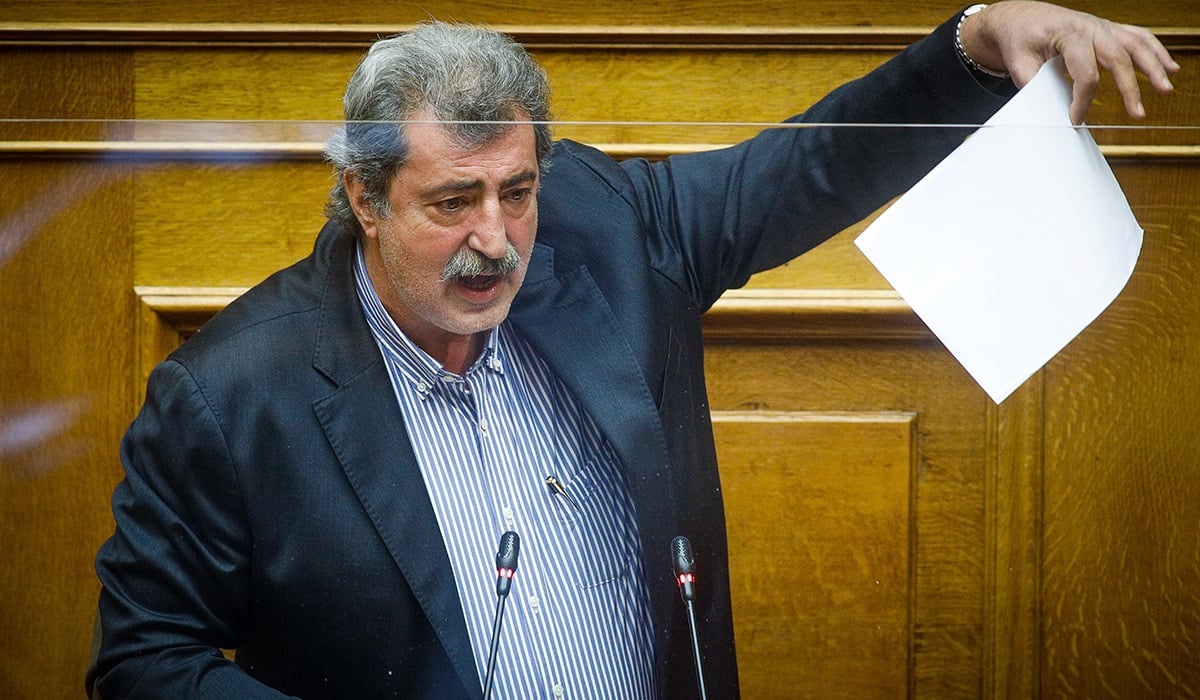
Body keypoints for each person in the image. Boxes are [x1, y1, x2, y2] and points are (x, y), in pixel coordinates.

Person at [86, 2, 1178, 698]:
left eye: (518, 191)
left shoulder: (611, 232)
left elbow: (806, 170)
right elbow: (144, 661)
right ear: (363, 198)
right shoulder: (231, 395)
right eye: (452, 202)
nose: (495, 239)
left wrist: (974, 47)